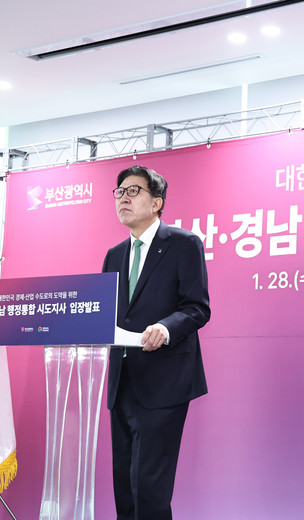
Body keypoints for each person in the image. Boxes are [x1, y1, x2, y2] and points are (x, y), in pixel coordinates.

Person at [102, 165, 210, 520]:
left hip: (163, 381)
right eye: (119, 192)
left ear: (157, 202)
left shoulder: (183, 244)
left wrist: (165, 327)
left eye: (133, 191)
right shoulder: (114, 255)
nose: (123, 198)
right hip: (122, 380)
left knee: (149, 486)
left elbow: (197, 308)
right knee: (124, 484)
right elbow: (107, 314)